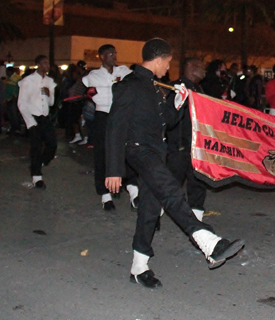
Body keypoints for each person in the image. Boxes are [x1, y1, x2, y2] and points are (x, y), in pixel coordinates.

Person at [105, 38, 244, 289]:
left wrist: (177, 103)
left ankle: (139, 267)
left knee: (150, 209)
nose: (168, 67)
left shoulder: (155, 85)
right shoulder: (129, 86)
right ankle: (208, 242)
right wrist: (114, 170)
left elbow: (166, 122)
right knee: (171, 191)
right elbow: (115, 128)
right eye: (167, 62)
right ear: (159, 59)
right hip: (138, 150)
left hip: (157, 152)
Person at [82, 44, 138, 211]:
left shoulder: (124, 71)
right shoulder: (93, 75)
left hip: (122, 116)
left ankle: (133, 189)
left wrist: (110, 90)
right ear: (102, 56)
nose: (114, 56)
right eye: (110, 54)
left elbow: (131, 89)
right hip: (103, 116)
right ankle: (105, 195)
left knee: (128, 151)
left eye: (115, 53)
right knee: (102, 154)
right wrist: (115, 88)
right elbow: (100, 97)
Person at [167, 57, 208, 222]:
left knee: (198, 181)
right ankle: (154, 216)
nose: (204, 71)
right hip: (180, 145)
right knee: (171, 183)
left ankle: (196, 219)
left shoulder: (199, 89)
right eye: (201, 67)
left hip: (195, 145)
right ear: (191, 67)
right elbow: (171, 116)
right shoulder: (177, 87)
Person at [17, 55, 57, 189]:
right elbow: (22, 103)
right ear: (38, 64)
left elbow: (51, 103)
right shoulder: (28, 81)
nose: (47, 66)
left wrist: (49, 94)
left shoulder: (49, 81)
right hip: (33, 117)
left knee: (52, 144)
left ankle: (39, 163)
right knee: (36, 147)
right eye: (44, 63)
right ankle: (37, 177)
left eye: (48, 63)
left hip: (45, 117)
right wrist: (30, 122)